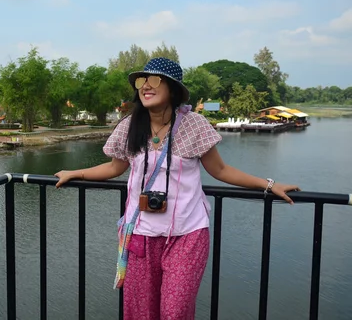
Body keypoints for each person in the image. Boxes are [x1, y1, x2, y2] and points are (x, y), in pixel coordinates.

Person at [54, 57, 300, 320]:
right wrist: (75, 173)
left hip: (187, 235)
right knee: (140, 313)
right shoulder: (129, 125)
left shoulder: (194, 125)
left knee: (175, 312)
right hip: (139, 234)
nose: (146, 87)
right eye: (141, 81)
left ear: (172, 88)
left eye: (154, 80)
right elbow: (114, 168)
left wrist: (270, 184)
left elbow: (220, 170)